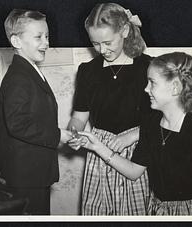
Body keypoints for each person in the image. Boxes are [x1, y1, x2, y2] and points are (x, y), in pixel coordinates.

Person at [78, 52, 192, 215]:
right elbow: (133, 171)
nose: (146, 89)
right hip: (157, 211)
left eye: (152, 83)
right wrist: (97, 147)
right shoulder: (150, 125)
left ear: (175, 87)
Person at [67, 3, 152, 215]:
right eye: (95, 44)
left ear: (124, 31)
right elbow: (79, 117)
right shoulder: (88, 71)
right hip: (99, 150)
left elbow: (162, 119)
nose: (102, 50)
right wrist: (74, 133)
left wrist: (132, 135)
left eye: (107, 42)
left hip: (137, 153)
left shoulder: (149, 67)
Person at [0, 9, 72, 215]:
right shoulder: (19, 77)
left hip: (34, 174)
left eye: (47, 36)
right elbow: (18, 124)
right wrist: (58, 135)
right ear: (16, 41)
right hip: (26, 177)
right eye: (38, 37)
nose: (46, 42)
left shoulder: (29, 71)